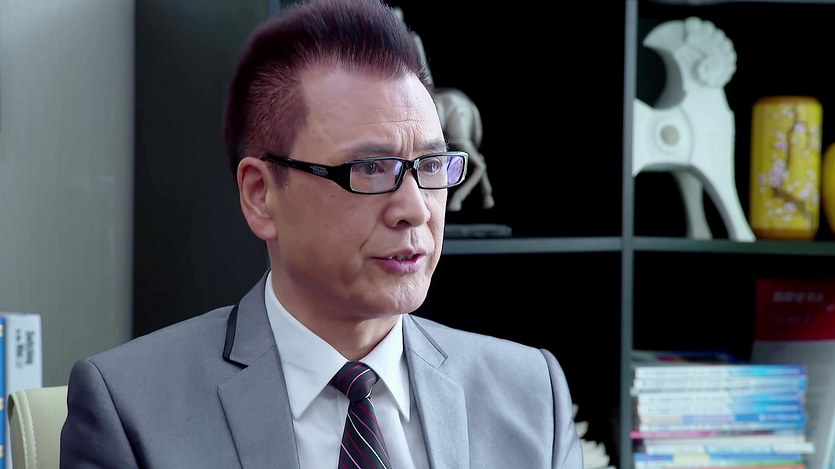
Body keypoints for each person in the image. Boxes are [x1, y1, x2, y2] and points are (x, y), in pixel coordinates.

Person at [59, 0, 583, 467]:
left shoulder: (532, 394)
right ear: (261, 195)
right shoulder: (130, 410)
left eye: (430, 165)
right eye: (370, 169)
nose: (414, 210)